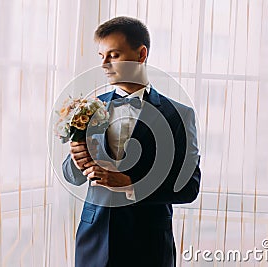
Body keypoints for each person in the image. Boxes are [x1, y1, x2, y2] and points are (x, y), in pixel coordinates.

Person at [62, 16, 201, 267]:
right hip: (94, 239)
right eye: (101, 56)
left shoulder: (178, 115)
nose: (104, 64)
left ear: (141, 54)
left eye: (113, 55)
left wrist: (131, 184)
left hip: (148, 243)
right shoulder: (89, 108)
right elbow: (73, 176)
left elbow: (189, 187)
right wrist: (76, 158)